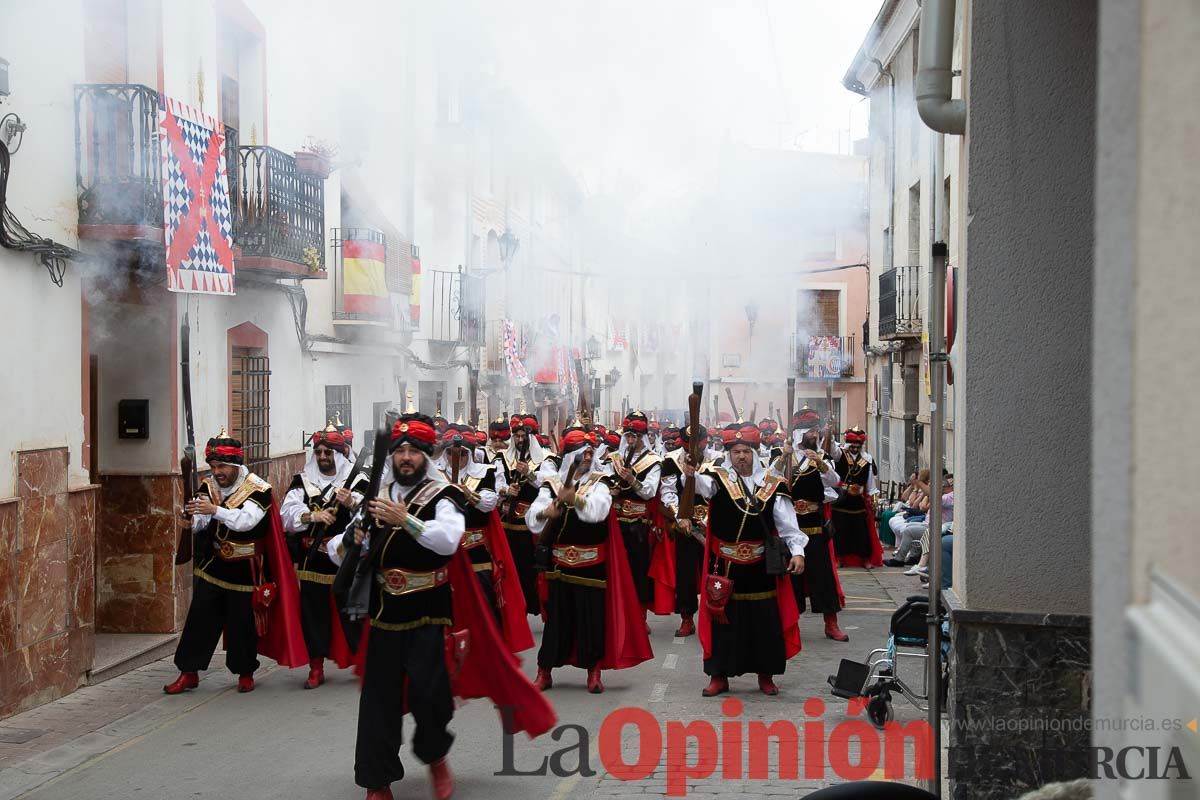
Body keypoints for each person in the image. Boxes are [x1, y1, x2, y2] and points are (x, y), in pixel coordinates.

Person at [334, 412, 556, 800]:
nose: (405, 457)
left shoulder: (443, 497)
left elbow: (447, 541)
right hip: (384, 614)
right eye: (399, 450)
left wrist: (406, 521)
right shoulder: (377, 498)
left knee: (430, 698)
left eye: (413, 451)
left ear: (425, 455)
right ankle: (377, 781)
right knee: (378, 702)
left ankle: (436, 758)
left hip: (430, 615)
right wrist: (350, 541)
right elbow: (340, 554)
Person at [164, 430, 307, 695]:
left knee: (243, 625)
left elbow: (245, 521)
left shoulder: (258, 489)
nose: (216, 472)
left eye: (221, 467)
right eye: (213, 466)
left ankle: (245, 673)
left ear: (235, 465)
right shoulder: (208, 486)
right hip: (215, 564)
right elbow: (202, 523)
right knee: (200, 620)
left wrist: (214, 510)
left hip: (247, 568)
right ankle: (188, 672)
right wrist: (191, 520)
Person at [682, 421, 807, 697]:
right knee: (722, 621)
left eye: (746, 451)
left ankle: (766, 675)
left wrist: (798, 552)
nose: (741, 456)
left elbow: (787, 525)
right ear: (729, 454)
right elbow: (699, 485)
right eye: (736, 451)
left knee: (764, 622)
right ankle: (719, 676)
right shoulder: (717, 480)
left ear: (755, 452)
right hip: (725, 567)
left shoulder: (773, 485)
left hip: (761, 566)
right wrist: (690, 472)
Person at [526, 426, 653, 693]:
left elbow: (598, 511)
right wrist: (545, 513)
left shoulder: (601, 483)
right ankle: (544, 671)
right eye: (581, 454)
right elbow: (533, 516)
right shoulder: (552, 485)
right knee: (557, 622)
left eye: (589, 454)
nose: (586, 458)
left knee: (592, 620)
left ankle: (593, 672)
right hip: (559, 565)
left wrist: (576, 500)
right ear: (569, 455)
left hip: (592, 564)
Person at [280, 424, 366, 688]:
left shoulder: (357, 480)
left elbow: (368, 515)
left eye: (328, 452)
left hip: (344, 558)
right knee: (313, 614)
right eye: (318, 452)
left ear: (339, 454)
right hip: (313, 560)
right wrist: (312, 516)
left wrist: (351, 502)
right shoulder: (302, 482)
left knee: (353, 613)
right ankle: (315, 666)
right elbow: (287, 516)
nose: (322, 457)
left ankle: (366, 661)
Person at [439, 424, 533, 653]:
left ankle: (489, 651)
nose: (456, 458)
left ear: (469, 454)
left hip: (475, 551)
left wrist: (467, 493)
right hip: (443, 553)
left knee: (483, 606)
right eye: (451, 453)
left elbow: (489, 502)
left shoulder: (485, 473)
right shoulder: (435, 475)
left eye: (461, 454)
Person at [771, 427, 849, 641]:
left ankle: (831, 623)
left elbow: (834, 481)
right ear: (799, 434)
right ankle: (789, 623)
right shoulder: (782, 454)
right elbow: (768, 479)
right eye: (810, 433)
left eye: (816, 432)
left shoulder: (822, 456)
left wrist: (821, 463)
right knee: (790, 578)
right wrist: (784, 457)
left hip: (814, 526)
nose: (815, 436)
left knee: (823, 577)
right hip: (789, 525)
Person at [604, 411, 664, 615]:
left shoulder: (653, 461)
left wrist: (631, 480)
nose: (630, 440)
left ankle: (639, 615)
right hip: (614, 521)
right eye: (628, 436)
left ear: (643, 437)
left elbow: (648, 492)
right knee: (615, 568)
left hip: (638, 523)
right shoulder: (614, 458)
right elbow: (601, 482)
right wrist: (609, 490)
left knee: (638, 570)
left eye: (635, 436)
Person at [657, 422, 711, 637]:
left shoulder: (717, 459)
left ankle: (718, 613)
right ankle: (687, 618)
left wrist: (708, 521)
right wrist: (680, 517)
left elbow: (720, 490)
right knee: (686, 574)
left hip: (712, 524)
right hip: (684, 524)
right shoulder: (671, 461)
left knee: (716, 573)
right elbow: (668, 492)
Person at [496, 409, 550, 616]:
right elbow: (497, 484)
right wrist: (506, 490)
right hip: (507, 522)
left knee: (530, 567)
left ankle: (532, 604)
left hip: (531, 524)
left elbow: (546, 486)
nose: (519, 440)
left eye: (523, 436)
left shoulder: (543, 458)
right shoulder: (502, 458)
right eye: (516, 436)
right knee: (510, 567)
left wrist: (529, 474)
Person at [826, 426, 884, 568]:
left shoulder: (867, 459)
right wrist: (830, 434)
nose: (855, 448)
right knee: (840, 533)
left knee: (862, 533)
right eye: (853, 445)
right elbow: (832, 449)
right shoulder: (840, 455)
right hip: (841, 501)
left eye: (858, 446)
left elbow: (870, 482)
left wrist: (873, 497)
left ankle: (865, 559)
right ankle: (839, 558)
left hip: (858, 502)